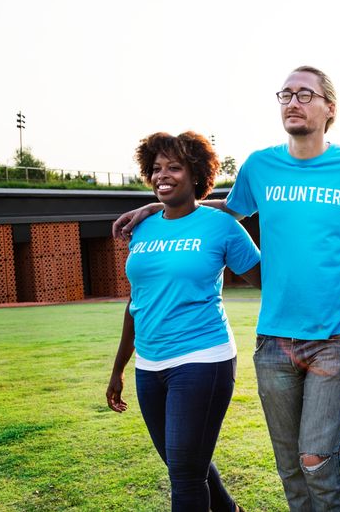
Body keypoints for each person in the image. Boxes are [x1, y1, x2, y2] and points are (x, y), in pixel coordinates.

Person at [112, 66, 340, 511]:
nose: (293, 101)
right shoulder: (259, 166)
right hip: (273, 340)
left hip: (334, 338)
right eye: (286, 94)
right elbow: (218, 211)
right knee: (290, 465)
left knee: (317, 459)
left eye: (306, 94)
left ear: (330, 108)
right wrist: (152, 209)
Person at [106, 131, 261, 512]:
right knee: (186, 464)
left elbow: (267, 282)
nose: (163, 175)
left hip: (203, 359)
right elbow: (136, 301)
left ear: (196, 174)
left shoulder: (221, 227)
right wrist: (119, 368)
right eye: (156, 168)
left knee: (185, 476)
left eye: (174, 167)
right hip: (149, 364)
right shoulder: (141, 227)